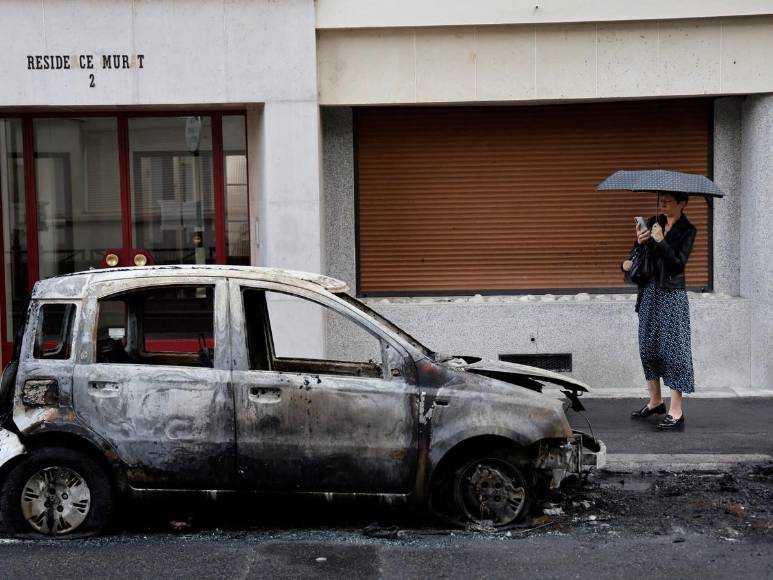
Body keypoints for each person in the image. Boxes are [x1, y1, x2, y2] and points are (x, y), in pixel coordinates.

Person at [622, 192, 697, 430]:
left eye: (669, 202)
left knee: (674, 349)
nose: (663, 206)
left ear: (682, 203)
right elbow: (639, 255)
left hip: (672, 294)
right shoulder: (656, 221)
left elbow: (677, 264)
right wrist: (641, 241)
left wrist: (662, 241)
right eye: (662, 201)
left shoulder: (688, 230)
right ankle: (655, 401)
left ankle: (676, 410)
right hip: (650, 292)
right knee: (647, 346)